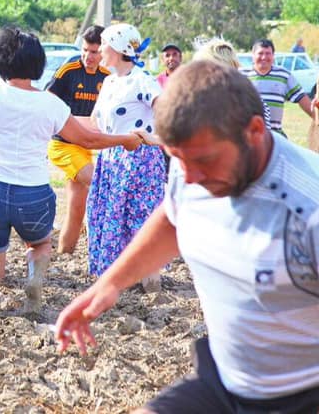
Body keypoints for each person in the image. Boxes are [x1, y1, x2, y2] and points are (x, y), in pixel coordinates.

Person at [55, 61, 319, 414]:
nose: (190, 178)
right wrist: (109, 285)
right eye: (177, 160)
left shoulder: (308, 207)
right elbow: (175, 217)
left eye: (204, 161)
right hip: (222, 381)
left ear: (255, 130)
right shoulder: (191, 167)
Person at [0, 28, 142, 314]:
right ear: (38, 64)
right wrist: (125, 140)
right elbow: (87, 139)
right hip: (33, 192)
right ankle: (34, 275)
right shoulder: (51, 103)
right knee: (41, 244)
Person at [86, 23, 166, 289]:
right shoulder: (109, 81)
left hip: (139, 161)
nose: (99, 50)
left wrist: (154, 139)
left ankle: (150, 281)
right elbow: (94, 122)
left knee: (139, 218)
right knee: (111, 217)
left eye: (104, 44)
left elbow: (168, 112)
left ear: (118, 48)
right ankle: (120, 276)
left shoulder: (141, 81)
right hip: (110, 160)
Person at [46, 25, 110, 254]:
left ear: (104, 51)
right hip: (64, 145)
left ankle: (65, 255)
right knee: (97, 180)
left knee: (76, 208)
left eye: (94, 52)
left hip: (90, 146)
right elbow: (47, 102)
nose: (88, 57)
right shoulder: (69, 71)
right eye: (85, 50)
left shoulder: (109, 77)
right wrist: (76, 122)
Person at [242, 38, 315, 137]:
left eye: (268, 53)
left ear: (273, 56)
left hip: (275, 135)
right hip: (249, 135)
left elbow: (301, 98)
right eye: (260, 53)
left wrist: (316, 116)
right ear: (253, 55)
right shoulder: (241, 75)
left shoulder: (283, 75)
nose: (264, 57)